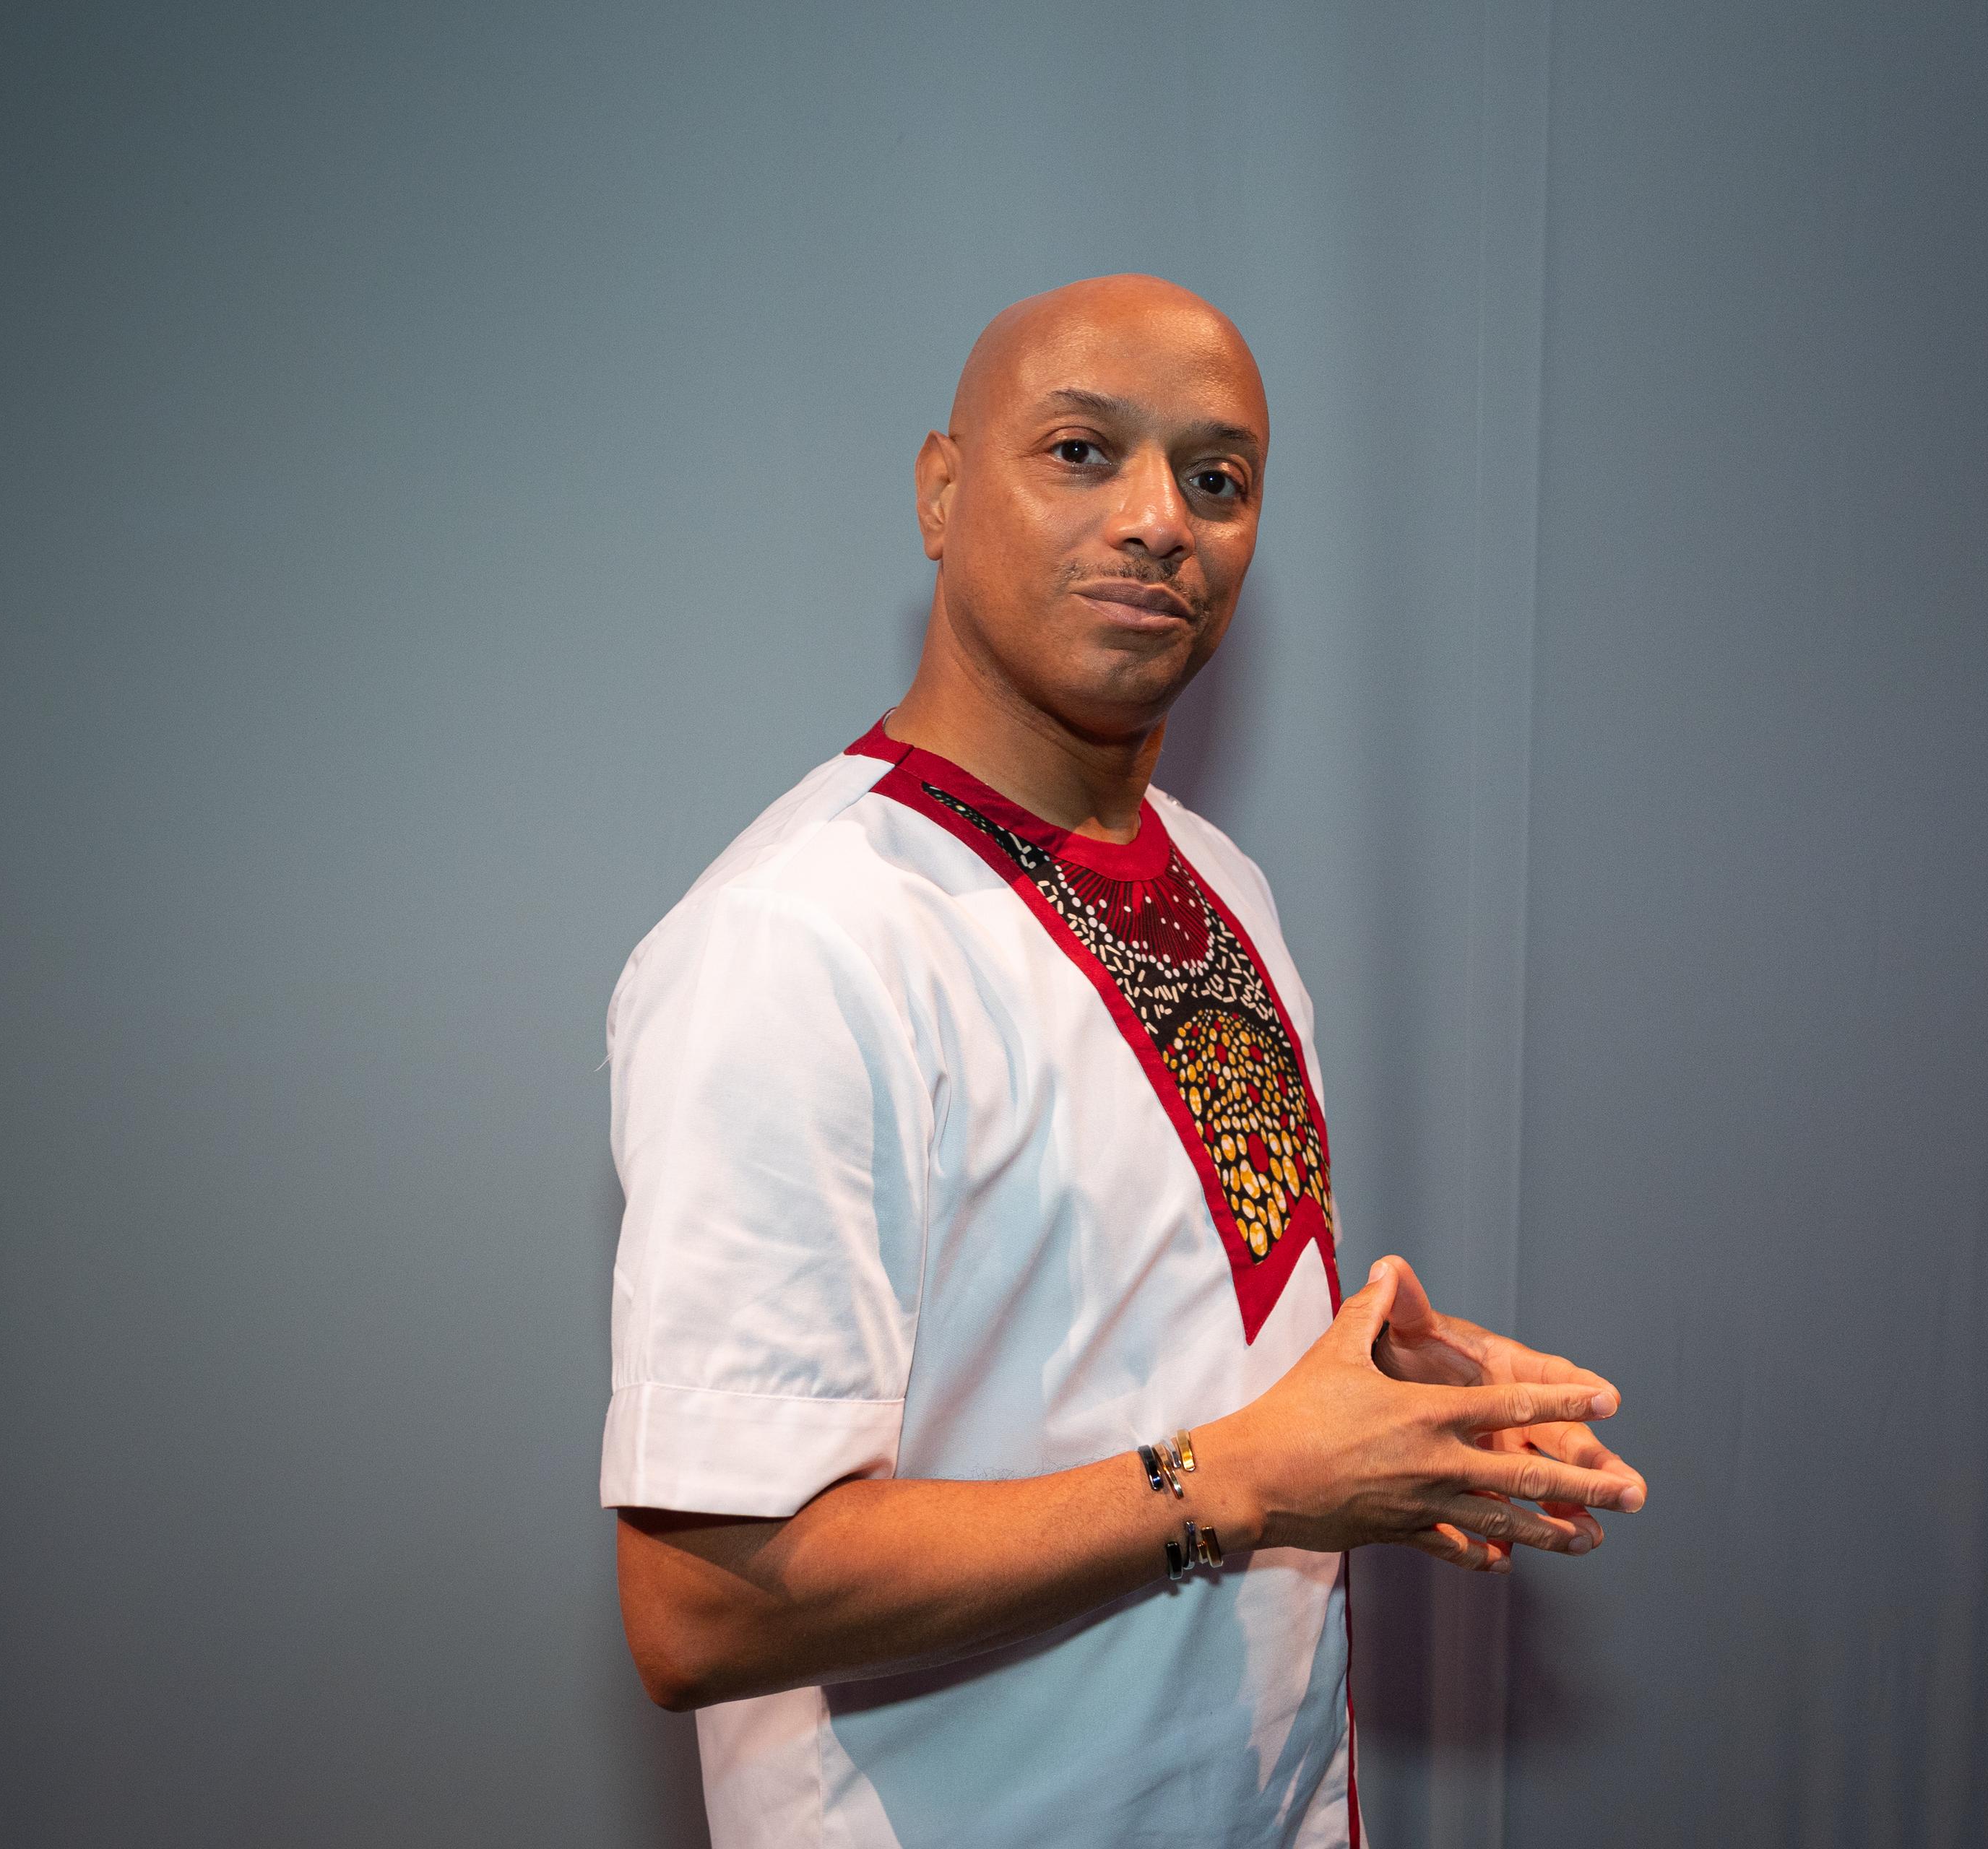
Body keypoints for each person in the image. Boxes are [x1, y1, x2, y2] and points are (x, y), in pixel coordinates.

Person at [600, 274, 1646, 1848]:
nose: (1162, 519)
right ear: (942, 492)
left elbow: (1133, 1370)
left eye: (1217, 480)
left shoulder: (1220, 878)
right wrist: (1248, 1473)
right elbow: (702, 1603)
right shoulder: (802, 938)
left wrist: (1362, 1414)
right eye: (1083, 450)